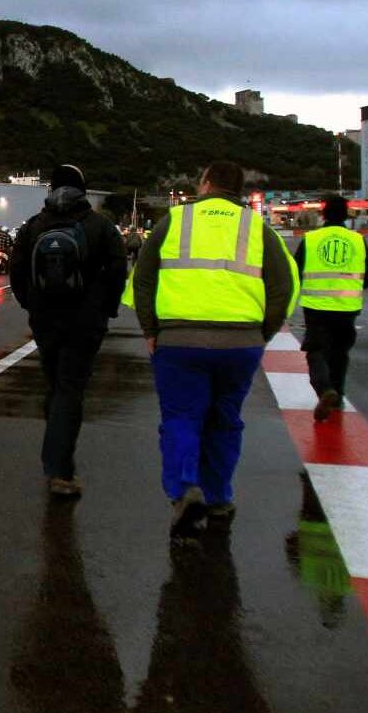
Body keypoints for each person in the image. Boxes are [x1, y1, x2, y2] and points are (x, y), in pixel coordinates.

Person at [126, 161, 299, 539]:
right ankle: (219, 497)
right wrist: (261, 334)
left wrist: (150, 330)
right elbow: (282, 288)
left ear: (204, 183)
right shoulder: (259, 227)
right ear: (239, 190)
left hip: (179, 342)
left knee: (181, 418)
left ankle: (184, 488)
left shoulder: (174, 220)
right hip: (240, 344)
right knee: (225, 421)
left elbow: (142, 278)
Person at [10, 164, 128, 498]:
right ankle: (59, 470)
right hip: (85, 321)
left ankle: (56, 452)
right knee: (70, 388)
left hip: (45, 319)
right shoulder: (100, 225)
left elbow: (17, 272)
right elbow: (119, 269)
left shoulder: (34, 225)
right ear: (83, 189)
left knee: (55, 383)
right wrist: (107, 307)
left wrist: (30, 305)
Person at [294, 194, 368, 421]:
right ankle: (337, 397)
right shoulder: (357, 240)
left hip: (316, 308)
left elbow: (296, 272)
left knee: (317, 351)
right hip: (348, 309)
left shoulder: (311, 239)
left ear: (323, 214)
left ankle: (324, 389)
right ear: (347, 216)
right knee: (340, 353)